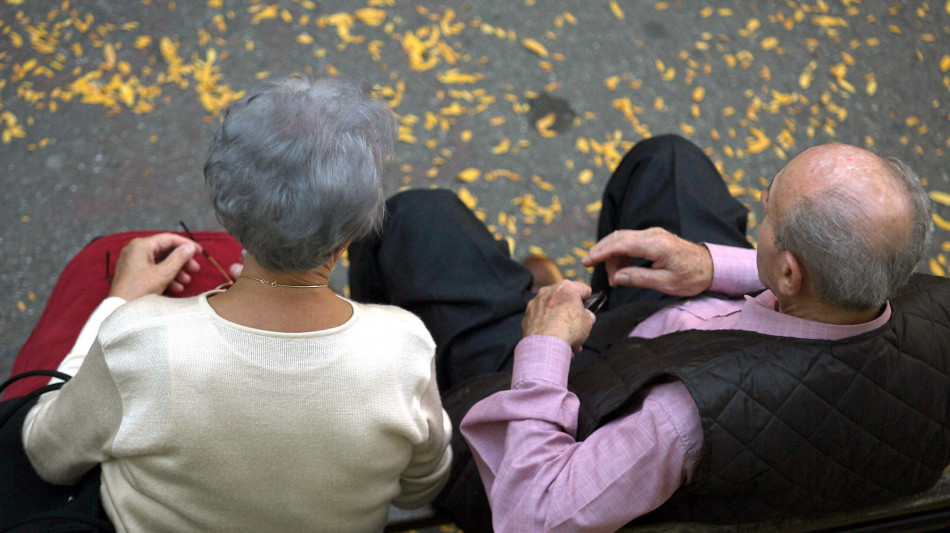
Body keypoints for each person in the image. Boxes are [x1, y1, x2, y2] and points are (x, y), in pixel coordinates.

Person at [347, 134, 950, 532]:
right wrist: (713, 265)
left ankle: (377, 361)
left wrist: (544, 346)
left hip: (589, 401)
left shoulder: (676, 420)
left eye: (768, 216)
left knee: (417, 218)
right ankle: (569, 291)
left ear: (790, 273)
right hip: (695, 341)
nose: (759, 218)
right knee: (669, 161)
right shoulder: (918, 298)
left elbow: (532, 516)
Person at [16, 76, 452, 532]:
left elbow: (47, 455)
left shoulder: (139, 339)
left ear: (229, 212)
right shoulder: (403, 346)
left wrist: (116, 303)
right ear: (349, 236)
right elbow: (420, 488)